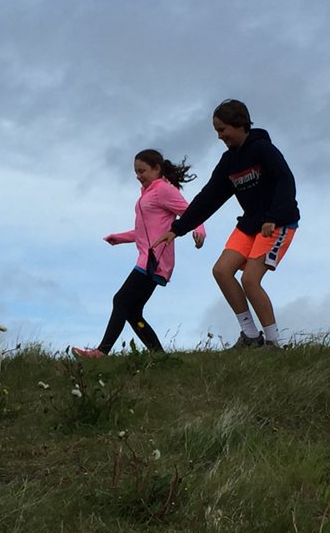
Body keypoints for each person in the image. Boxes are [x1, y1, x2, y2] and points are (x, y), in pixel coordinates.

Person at [152, 99, 298, 349]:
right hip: (250, 223)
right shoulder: (229, 161)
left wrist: (273, 216)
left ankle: (275, 343)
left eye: (223, 130)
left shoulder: (263, 149)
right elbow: (209, 197)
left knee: (250, 280)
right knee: (221, 271)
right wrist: (178, 229)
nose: (220, 136)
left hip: (277, 222)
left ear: (240, 124)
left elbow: (285, 180)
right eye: (217, 131)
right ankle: (251, 336)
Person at [72, 150, 205, 358]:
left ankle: (101, 352)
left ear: (156, 168)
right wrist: (120, 237)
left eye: (142, 171)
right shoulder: (147, 194)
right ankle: (159, 356)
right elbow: (144, 231)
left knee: (120, 300)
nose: (138, 176)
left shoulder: (163, 190)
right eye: (136, 172)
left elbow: (190, 213)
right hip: (146, 258)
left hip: (155, 260)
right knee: (133, 312)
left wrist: (199, 230)